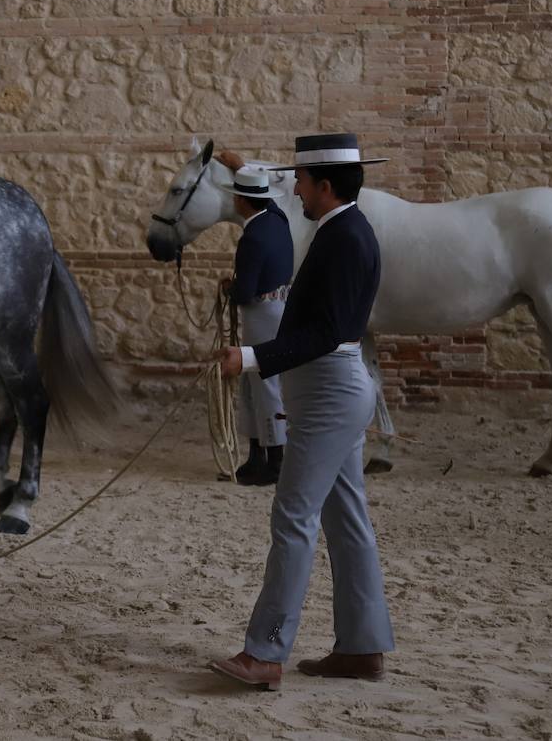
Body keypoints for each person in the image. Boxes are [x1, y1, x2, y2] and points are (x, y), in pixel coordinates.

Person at [207, 132, 395, 691]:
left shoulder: (342, 238)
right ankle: (362, 648)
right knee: (346, 520)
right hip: (333, 389)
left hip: (329, 393)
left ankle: (264, 654)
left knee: (293, 518)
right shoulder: (344, 230)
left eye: (303, 182)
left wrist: (250, 356)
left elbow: (327, 332)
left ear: (325, 185)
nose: (297, 190)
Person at [213, 161, 292, 486]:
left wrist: (230, 289)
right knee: (254, 383)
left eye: (236, 196)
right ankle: (257, 455)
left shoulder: (253, 237)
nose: (233, 201)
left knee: (262, 382)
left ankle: (274, 460)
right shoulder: (277, 219)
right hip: (278, 307)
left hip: (262, 313)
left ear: (244, 201)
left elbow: (245, 291)